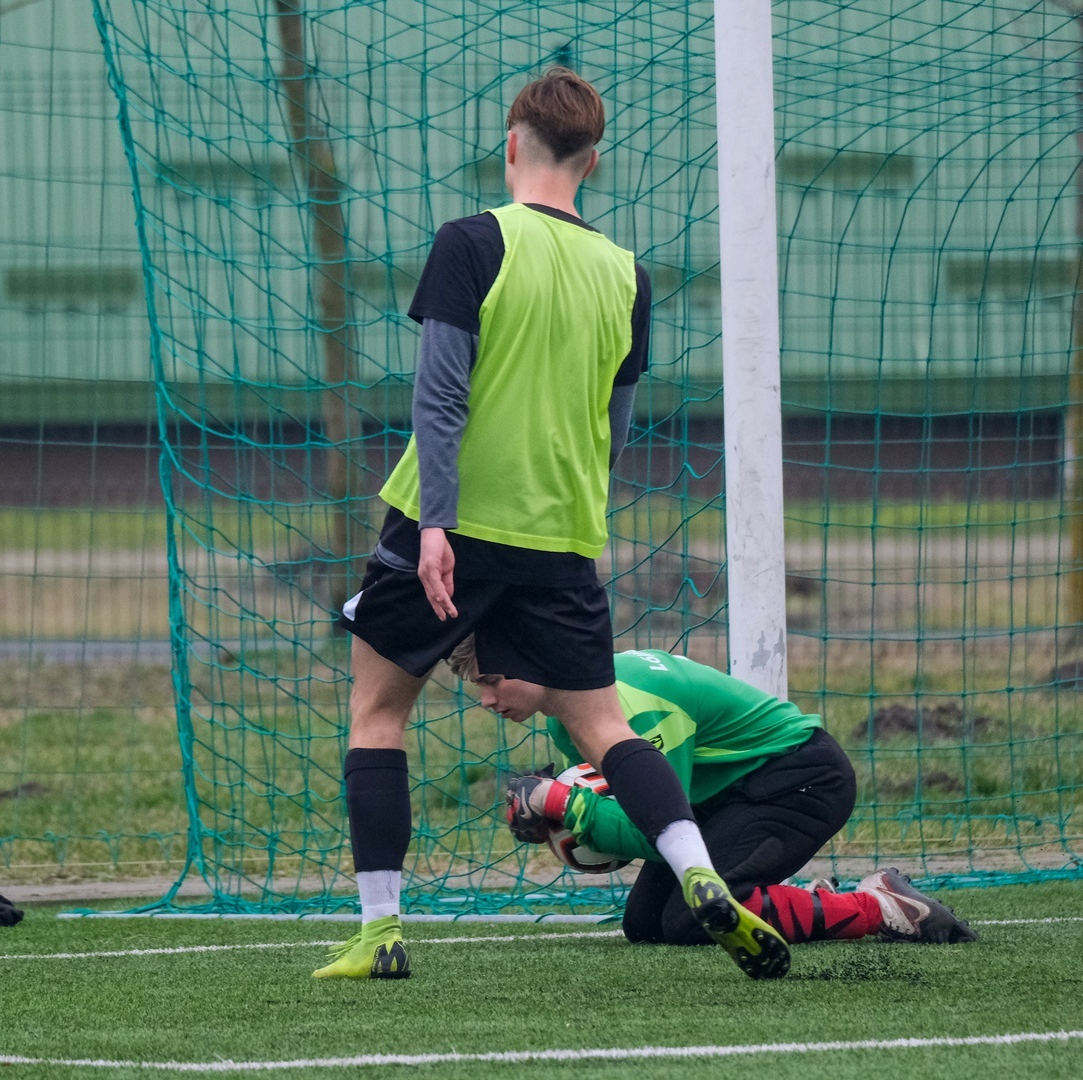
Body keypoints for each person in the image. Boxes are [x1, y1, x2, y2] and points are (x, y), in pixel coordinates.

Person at [314, 68, 792, 981]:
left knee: (377, 715)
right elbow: (613, 427)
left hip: (450, 521)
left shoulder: (471, 241)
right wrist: (570, 518)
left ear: (511, 144)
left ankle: (381, 933)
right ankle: (698, 870)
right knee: (607, 728)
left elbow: (440, 396)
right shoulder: (627, 276)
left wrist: (435, 525)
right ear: (592, 162)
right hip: (562, 535)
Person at [468, 641, 978, 948]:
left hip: (799, 781)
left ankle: (879, 905)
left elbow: (660, 828)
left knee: (691, 919)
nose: (486, 699)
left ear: (534, 656)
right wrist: (565, 815)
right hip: (730, 796)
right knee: (645, 925)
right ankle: (791, 894)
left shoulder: (637, 705)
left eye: (492, 680)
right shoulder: (570, 713)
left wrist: (563, 803)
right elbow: (649, 819)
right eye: (476, 685)